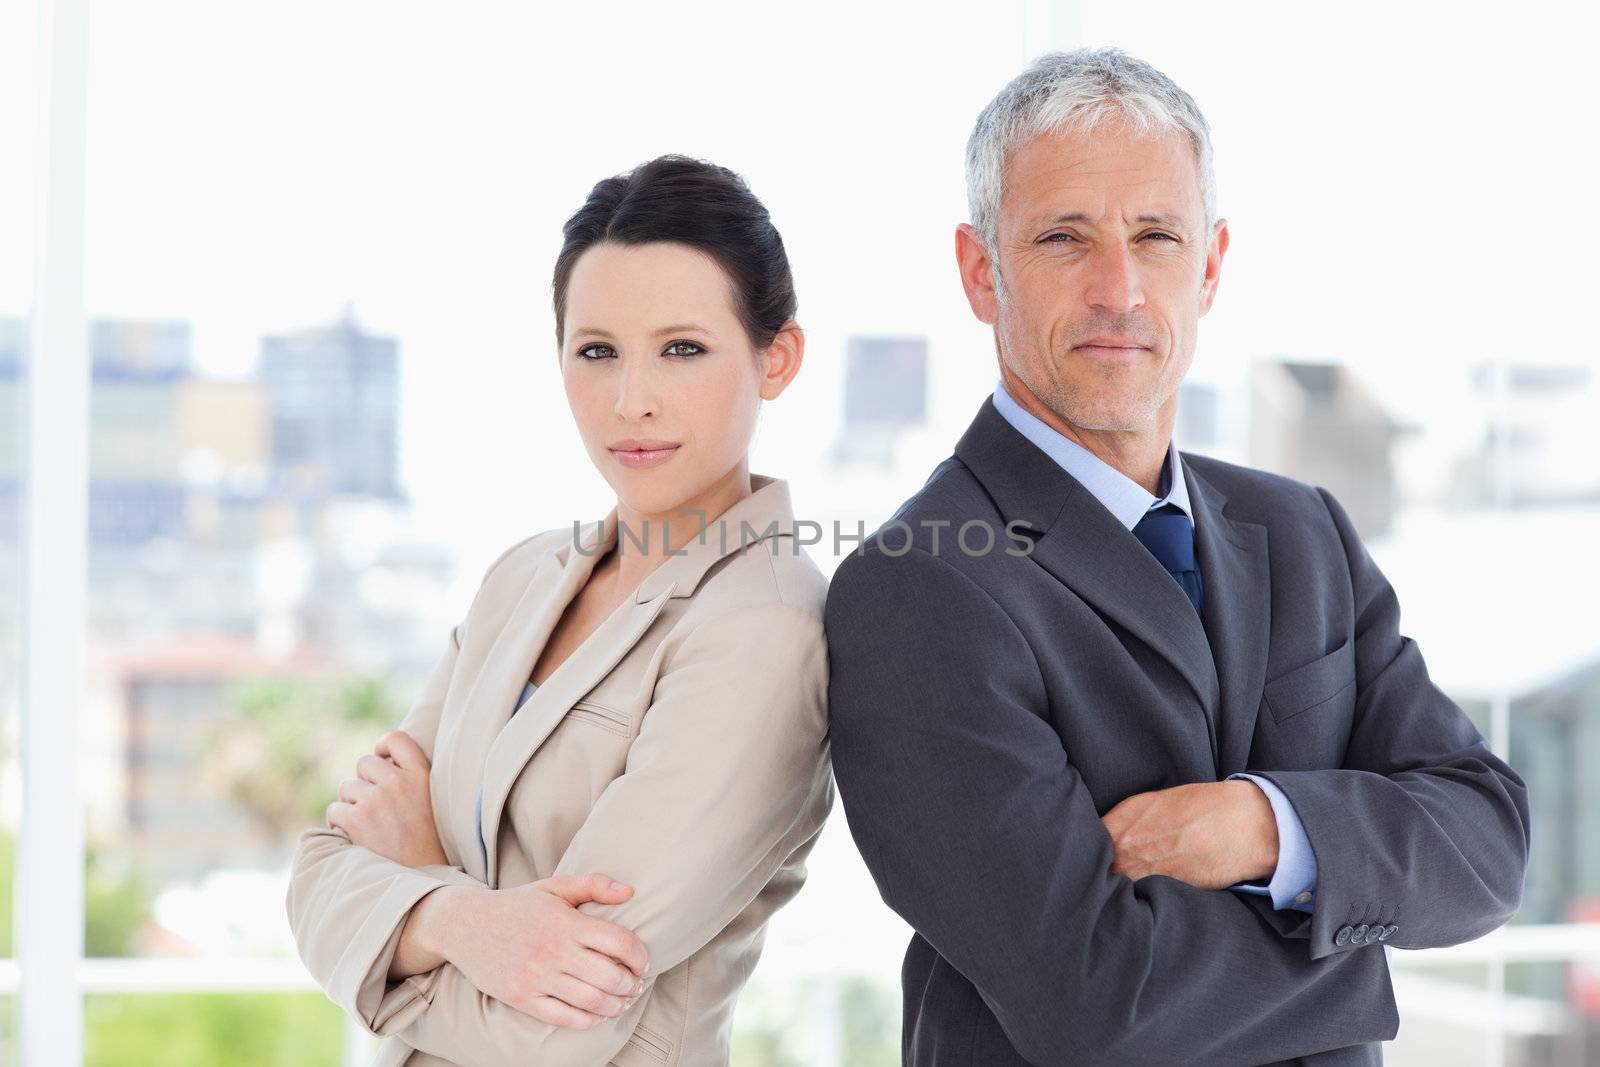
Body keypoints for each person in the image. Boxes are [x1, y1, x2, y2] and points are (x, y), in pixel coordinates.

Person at [822, 47, 1531, 1066]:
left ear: (1209, 263)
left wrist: (1268, 827)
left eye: (1155, 235)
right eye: (1063, 237)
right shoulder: (918, 581)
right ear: (982, 272)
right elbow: (1100, 1003)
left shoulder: (1301, 532)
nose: (1119, 289)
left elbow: (1488, 840)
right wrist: (1365, 943)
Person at [286, 154, 831, 1067]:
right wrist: (462, 917)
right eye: (597, 351)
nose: (632, 400)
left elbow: (555, 1023)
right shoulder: (521, 578)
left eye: (683, 348)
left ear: (778, 359)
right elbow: (315, 877)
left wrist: (409, 888)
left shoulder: (762, 629)